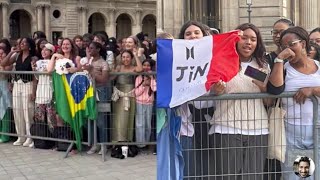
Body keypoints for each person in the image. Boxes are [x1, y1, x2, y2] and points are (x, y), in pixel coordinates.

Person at [210, 23, 270, 180]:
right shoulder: (221, 62)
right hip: (227, 127)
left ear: (258, 43)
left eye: (253, 39)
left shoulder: (262, 65)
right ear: (235, 39)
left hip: (258, 128)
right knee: (227, 176)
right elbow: (211, 90)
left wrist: (265, 89)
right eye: (244, 38)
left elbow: (269, 101)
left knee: (253, 176)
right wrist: (217, 90)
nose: (248, 42)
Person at [267, 26, 320, 180]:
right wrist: (279, 60)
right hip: (293, 133)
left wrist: (313, 90)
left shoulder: (318, 65)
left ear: (303, 44)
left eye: (291, 44)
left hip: (317, 128)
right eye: (283, 46)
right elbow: (275, 90)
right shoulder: (283, 68)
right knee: (298, 176)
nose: (288, 49)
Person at [176, 20, 212, 179]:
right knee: (189, 168)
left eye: (197, 32)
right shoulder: (177, 60)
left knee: (208, 166)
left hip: (210, 120)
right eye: (188, 33)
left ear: (204, 35)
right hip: (186, 124)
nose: (193, 36)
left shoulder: (212, 57)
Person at [1, 37, 37, 147]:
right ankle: (21, 136)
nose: (22, 44)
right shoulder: (17, 56)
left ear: (30, 45)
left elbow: (35, 76)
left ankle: (30, 137)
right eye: (21, 43)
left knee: (28, 111)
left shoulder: (33, 57)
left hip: (28, 84)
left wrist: (33, 91)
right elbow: (4, 63)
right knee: (17, 110)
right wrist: (11, 52)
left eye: (25, 42)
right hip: (17, 84)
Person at [111, 49, 143, 142]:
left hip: (130, 95)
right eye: (123, 57)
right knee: (118, 118)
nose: (125, 59)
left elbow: (140, 69)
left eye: (128, 57)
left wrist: (135, 55)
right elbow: (112, 76)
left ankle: (127, 139)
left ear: (131, 58)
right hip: (119, 96)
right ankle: (117, 139)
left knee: (128, 118)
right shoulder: (118, 67)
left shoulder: (133, 68)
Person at [84, 42, 109, 155]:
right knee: (91, 118)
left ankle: (103, 145)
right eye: (89, 48)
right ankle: (94, 144)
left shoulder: (103, 63)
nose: (89, 50)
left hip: (101, 92)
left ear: (98, 49)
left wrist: (91, 71)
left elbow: (104, 79)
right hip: (89, 93)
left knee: (101, 120)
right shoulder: (89, 61)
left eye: (92, 48)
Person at [32, 43, 57, 137]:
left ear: (51, 52)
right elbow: (37, 77)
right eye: (42, 50)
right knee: (39, 116)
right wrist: (34, 69)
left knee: (51, 117)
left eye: (46, 50)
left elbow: (49, 72)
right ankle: (41, 138)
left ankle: (53, 138)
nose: (43, 51)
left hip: (50, 89)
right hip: (40, 90)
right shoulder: (38, 62)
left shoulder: (54, 61)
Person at [134, 59, 156, 150]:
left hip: (149, 103)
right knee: (140, 124)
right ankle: (140, 144)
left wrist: (151, 79)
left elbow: (154, 89)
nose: (146, 67)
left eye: (148, 66)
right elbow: (136, 93)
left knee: (147, 124)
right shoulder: (139, 78)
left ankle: (146, 142)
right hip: (140, 102)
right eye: (144, 65)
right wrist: (143, 85)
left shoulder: (153, 78)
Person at [0, 47, 13, 143]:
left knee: (4, 110)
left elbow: (5, 72)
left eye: (2, 53)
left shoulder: (9, 64)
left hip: (4, 88)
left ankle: (5, 136)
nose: (0, 55)